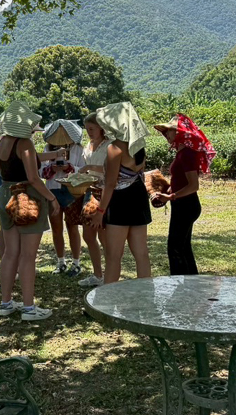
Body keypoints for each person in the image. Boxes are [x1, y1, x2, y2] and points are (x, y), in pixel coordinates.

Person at [0, 101, 59, 321]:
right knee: (28, 255)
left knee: (10, 252)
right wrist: (51, 198)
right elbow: (33, 178)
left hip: (5, 193)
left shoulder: (2, 142)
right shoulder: (25, 143)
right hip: (26, 197)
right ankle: (29, 308)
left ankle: (6, 303)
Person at [89, 102, 152, 283]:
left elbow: (110, 184)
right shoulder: (139, 145)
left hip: (120, 202)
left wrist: (100, 212)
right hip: (139, 197)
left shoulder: (115, 148)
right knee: (141, 253)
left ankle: (109, 297)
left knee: (113, 256)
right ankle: (146, 293)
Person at [154, 114, 216, 275]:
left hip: (186, 205)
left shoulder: (187, 154)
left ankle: (180, 282)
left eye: (169, 131)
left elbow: (194, 186)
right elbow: (182, 181)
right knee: (183, 247)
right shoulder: (182, 152)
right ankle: (192, 282)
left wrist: (171, 196)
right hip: (183, 204)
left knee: (175, 248)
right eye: (165, 131)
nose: (166, 134)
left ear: (179, 132)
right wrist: (168, 190)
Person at [39, 119, 85, 277]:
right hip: (53, 191)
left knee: (72, 227)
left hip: (72, 190)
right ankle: (60, 262)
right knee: (56, 228)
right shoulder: (48, 149)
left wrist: (69, 168)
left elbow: (83, 169)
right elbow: (40, 171)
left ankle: (76, 262)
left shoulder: (77, 148)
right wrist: (52, 168)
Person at [77, 112, 110, 288]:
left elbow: (112, 170)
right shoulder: (88, 146)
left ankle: (110, 276)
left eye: (92, 129)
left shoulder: (109, 146)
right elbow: (85, 169)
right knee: (88, 235)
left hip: (104, 192)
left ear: (101, 128)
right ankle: (98, 274)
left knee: (104, 236)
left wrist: (90, 167)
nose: (89, 132)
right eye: (87, 129)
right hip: (89, 191)